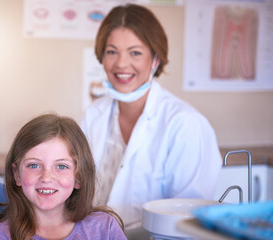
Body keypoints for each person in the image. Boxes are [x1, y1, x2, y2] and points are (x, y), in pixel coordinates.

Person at [81, 3, 222, 232]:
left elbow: (187, 219)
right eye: (112, 51)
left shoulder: (185, 124)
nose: (121, 64)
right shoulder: (93, 116)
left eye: (135, 52)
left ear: (155, 59)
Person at [0, 113, 127, 240]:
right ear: (17, 174)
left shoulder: (105, 229)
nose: (46, 177)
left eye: (61, 166)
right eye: (34, 165)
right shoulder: (2, 235)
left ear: (79, 177)